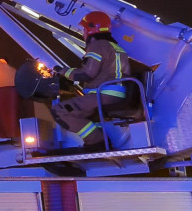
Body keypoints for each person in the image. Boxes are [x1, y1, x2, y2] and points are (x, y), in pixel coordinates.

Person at [51, 11, 132, 150]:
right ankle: (102, 139)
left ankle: (96, 142)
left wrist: (62, 71)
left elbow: (87, 74)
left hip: (103, 95)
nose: (83, 33)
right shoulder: (117, 48)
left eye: (84, 29)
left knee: (60, 111)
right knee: (88, 115)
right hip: (117, 95)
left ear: (91, 29)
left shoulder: (97, 46)